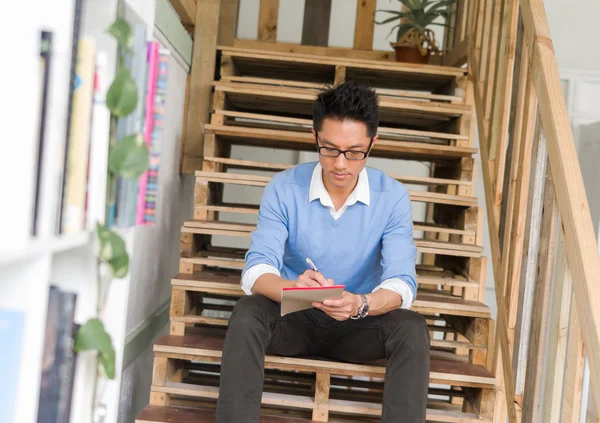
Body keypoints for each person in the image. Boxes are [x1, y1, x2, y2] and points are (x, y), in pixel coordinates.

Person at [215, 81, 431, 422]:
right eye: (329, 149)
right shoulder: (284, 188)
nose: (341, 164)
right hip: (295, 316)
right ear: (315, 138)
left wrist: (360, 303)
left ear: (373, 144)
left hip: (359, 323)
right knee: (247, 313)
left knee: (411, 329)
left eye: (355, 151)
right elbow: (256, 271)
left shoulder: (392, 197)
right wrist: (296, 290)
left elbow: (402, 283)